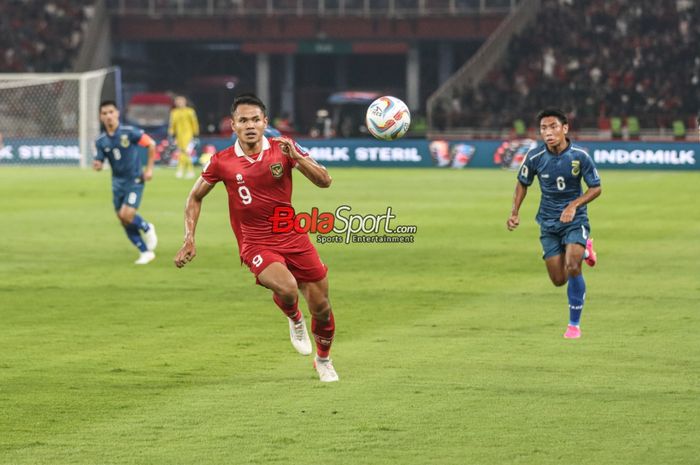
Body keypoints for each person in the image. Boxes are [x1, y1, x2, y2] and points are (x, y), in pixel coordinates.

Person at [173, 94, 339, 382]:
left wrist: (297, 156)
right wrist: (189, 237)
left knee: (322, 308)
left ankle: (323, 360)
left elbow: (325, 181)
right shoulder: (221, 161)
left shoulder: (284, 148)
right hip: (256, 243)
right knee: (287, 288)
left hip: (293, 236)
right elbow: (194, 197)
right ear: (233, 125)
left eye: (255, 119)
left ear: (265, 122)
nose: (250, 125)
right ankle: (294, 318)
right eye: (243, 120)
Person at [506, 108, 601, 339]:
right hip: (548, 222)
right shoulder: (535, 157)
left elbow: (596, 188)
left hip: (574, 219)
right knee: (559, 280)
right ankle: (585, 249)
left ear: (565, 128)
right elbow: (522, 183)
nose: (548, 133)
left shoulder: (580, 155)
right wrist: (515, 212)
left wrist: (574, 205)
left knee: (572, 266)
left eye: (553, 127)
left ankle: (573, 325)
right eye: (543, 129)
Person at [94, 100, 158, 265]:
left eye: (111, 112)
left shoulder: (129, 132)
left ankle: (146, 227)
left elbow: (151, 144)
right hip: (117, 183)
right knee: (123, 220)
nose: (108, 116)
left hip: (135, 180)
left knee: (127, 215)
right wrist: (97, 164)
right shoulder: (101, 141)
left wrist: (149, 169)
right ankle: (145, 252)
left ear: (117, 113)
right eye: (104, 113)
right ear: (101, 117)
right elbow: (99, 162)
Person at [168, 95, 200, 179]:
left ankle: (185, 170)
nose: (179, 103)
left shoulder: (190, 111)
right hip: (179, 136)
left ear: (185, 102)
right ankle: (186, 171)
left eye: (181, 101)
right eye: (177, 101)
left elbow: (194, 123)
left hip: (189, 134)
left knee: (186, 152)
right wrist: (171, 134)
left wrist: (196, 134)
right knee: (183, 152)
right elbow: (172, 124)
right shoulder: (174, 112)